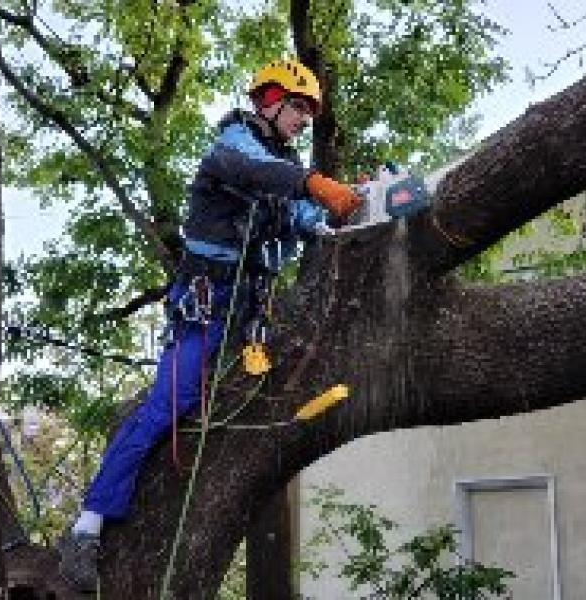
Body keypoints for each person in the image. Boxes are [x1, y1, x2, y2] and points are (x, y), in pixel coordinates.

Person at [58, 58, 362, 591]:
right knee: (166, 408)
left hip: (249, 312)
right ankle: (86, 528)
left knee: (268, 398)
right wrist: (314, 183)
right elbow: (255, 173)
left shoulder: (283, 167)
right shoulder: (234, 144)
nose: (303, 121)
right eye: (297, 109)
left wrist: (342, 205)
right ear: (269, 102)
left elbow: (301, 221)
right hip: (205, 303)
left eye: (309, 115)